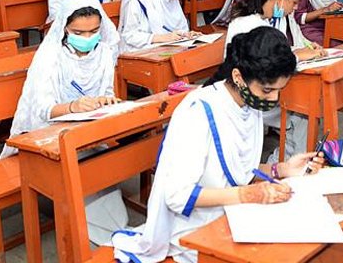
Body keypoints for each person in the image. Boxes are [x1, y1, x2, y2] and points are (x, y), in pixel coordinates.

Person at [112, 26, 324, 263]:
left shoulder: (247, 104)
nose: (273, 99)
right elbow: (178, 197)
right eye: (267, 90)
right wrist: (247, 195)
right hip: (192, 226)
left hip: (234, 212)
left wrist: (283, 169)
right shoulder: (199, 113)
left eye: (278, 91)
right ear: (237, 77)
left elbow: (236, 172)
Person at [0, 0, 127, 244]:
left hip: (86, 130)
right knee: (84, 171)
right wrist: (73, 106)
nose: (88, 38)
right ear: (65, 29)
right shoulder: (50, 56)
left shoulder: (103, 52)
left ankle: (110, 227)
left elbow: (106, 91)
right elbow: (42, 110)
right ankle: (93, 233)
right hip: (45, 133)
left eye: (94, 31)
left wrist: (105, 100)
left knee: (104, 165)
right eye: (79, 32)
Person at [226, 0, 326, 162]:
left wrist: (302, 51)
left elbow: (276, 52)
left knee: (308, 106)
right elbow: (262, 66)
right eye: (295, 2)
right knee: (303, 111)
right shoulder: (247, 25)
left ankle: (289, 161)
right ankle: (284, 165)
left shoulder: (274, 19)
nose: (296, 8)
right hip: (249, 95)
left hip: (268, 89)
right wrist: (298, 56)